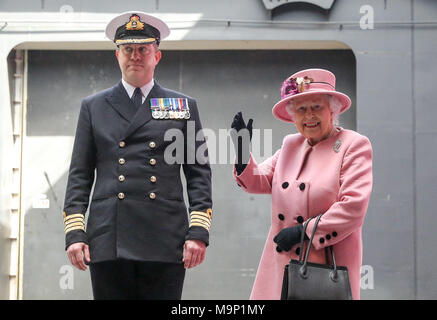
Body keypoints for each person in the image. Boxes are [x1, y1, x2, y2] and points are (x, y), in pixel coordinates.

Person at [62, 11, 212, 300]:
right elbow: (79, 175)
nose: (135, 56)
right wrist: (75, 234)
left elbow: (198, 174)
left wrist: (197, 232)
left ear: (157, 55)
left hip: (164, 236)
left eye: (143, 49)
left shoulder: (181, 106)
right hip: (109, 236)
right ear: (117, 55)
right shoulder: (94, 106)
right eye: (128, 49)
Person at [231, 68, 373, 300]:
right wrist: (241, 151)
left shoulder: (353, 145)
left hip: (324, 266)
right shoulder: (291, 145)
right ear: (293, 115)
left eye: (316, 106)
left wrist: (304, 231)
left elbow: (353, 207)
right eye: (301, 109)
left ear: (332, 110)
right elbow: (258, 181)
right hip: (282, 264)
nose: (309, 116)